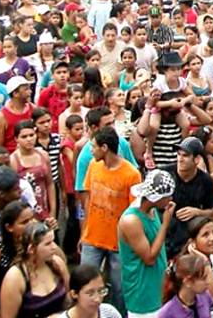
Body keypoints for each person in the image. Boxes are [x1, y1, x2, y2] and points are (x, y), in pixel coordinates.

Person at [80, 126, 140, 315]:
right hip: (92, 238)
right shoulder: (93, 166)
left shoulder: (131, 174)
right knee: (84, 283)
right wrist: (84, 231)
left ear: (104, 148)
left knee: (119, 288)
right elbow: (88, 200)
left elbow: (135, 211)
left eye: (94, 146)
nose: (91, 150)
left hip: (118, 243)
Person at [118, 169, 177, 318]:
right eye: (167, 196)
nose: (170, 199)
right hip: (142, 292)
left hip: (158, 287)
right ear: (155, 198)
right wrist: (165, 224)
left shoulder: (152, 210)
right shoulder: (131, 221)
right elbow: (149, 258)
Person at [0, 220, 68, 318]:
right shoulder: (15, 278)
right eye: (48, 244)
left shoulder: (57, 263)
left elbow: (69, 300)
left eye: (53, 241)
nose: (54, 247)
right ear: (31, 249)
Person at [164, 136, 213, 258]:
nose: (180, 159)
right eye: (178, 154)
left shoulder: (205, 180)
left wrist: (197, 212)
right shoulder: (165, 174)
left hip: (188, 235)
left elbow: (211, 212)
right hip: (165, 229)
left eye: (185, 155)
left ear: (197, 160)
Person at [56, 263, 123, 318]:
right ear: (74, 294)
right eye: (90, 293)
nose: (97, 299)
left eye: (101, 291)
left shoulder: (110, 313)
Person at [158, 253, 212, 318]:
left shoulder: (205, 297)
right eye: (203, 279)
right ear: (188, 281)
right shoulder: (167, 313)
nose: (208, 282)